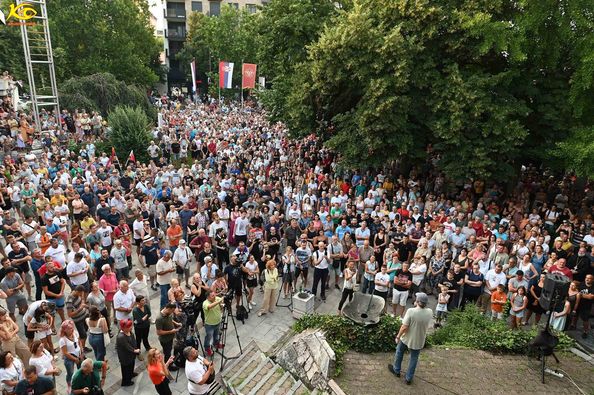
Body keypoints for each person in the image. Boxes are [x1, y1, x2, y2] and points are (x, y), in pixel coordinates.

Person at [388, 292, 433, 385]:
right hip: (419, 339)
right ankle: (408, 378)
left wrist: (398, 336)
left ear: (417, 301)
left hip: (407, 338)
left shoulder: (411, 311)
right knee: (414, 358)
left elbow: (404, 326)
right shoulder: (429, 312)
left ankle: (396, 370)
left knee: (399, 351)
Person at [155, 303, 181, 370]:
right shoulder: (159, 318)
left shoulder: (168, 314)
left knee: (169, 351)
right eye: (172, 311)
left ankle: (168, 364)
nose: (172, 312)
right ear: (168, 309)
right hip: (165, 340)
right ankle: (168, 366)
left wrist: (176, 323)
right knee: (167, 353)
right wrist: (171, 332)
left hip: (170, 338)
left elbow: (170, 319)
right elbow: (159, 332)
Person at [59, 320, 82, 393]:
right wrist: (75, 359)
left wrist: (81, 351)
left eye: (72, 328)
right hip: (69, 358)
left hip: (79, 354)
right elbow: (65, 353)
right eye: (69, 328)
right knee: (70, 373)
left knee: (80, 369)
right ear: (65, 330)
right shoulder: (63, 340)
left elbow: (79, 342)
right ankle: (69, 385)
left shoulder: (75, 332)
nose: (72, 329)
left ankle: (80, 382)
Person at [65, 285, 90, 353]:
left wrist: (83, 304)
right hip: (78, 320)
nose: (81, 295)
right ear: (76, 291)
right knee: (83, 335)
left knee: (84, 332)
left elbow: (82, 300)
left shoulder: (78, 294)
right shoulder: (69, 301)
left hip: (84, 316)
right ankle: (81, 350)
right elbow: (69, 314)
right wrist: (80, 308)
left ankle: (82, 346)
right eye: (80, 293)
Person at [115, 319, 140, 387]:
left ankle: (131, 374)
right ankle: (126, 382)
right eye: (128, 326)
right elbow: (127, 346)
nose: (131, 327)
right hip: (125, 356)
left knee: (131, 365)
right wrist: (135, 351)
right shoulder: (121, 336)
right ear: (123, 328)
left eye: (130, 326)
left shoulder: (129, 331)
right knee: (126, 369)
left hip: (131, 354)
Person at [202, 291, 223, 357]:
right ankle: (207, 348)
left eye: (214, 295)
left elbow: (221, 300)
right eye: (212, 296)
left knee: (216, 334)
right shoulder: (205, 303)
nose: (214, 297)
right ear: (208, 297)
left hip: (218, 321)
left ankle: (216, 343)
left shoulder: (216, 298)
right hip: (209, 324)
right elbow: (209, 306)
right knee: (209, 336)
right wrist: (218, 302)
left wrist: (221, 303)